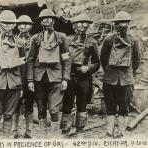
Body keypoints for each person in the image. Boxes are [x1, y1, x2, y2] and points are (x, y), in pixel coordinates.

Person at [27, 9, 71, 137]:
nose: (46, 21)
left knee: (54, 109)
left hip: (56, 78)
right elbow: (30, 60)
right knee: (41, 108)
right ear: (40, 22)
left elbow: (66, 60)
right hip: (39, 78)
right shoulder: (35, 38)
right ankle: (42, 134)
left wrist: (65, 79)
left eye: (49, 18)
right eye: (43, 19)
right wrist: (30, 80)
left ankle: (54, 135)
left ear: (53, 20)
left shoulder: (61, 37)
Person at [100, 11, 141, 138]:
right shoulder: (109, 40)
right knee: (111, 105)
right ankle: (111, 130)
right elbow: (104, 58)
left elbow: (136, 60)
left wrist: (129, 72)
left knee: (124, 106)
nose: (122, 25)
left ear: (128, 24)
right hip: (115, 78)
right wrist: (129, 72)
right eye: (119, 23)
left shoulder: (133, 41)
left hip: (123, 79)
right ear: (115, 24)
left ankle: (120, 131)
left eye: (124, 23)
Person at [61, 13, 100, 137]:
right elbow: (62, 58)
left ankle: (80, 131)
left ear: (88, 26)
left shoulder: (92, 42)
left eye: (85, 24)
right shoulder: (67, 40)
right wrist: (64, 76)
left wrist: (88, 68)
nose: (81, 26)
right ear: (74, 25)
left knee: (82, 105)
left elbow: (97, 62)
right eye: (79, 23)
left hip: (84, 78)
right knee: (66, 104)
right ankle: (65, 130)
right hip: (69, 76)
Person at [12, 15, 35, 138]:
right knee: (15, 104)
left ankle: (29, 130)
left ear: (30, 26)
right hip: (16, 77)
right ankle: (14, 130)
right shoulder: (13, 40)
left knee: (29, 104)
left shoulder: (35, 41)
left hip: (30, 78)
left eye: (26, 24)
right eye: (20, 24)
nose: (23, 27)